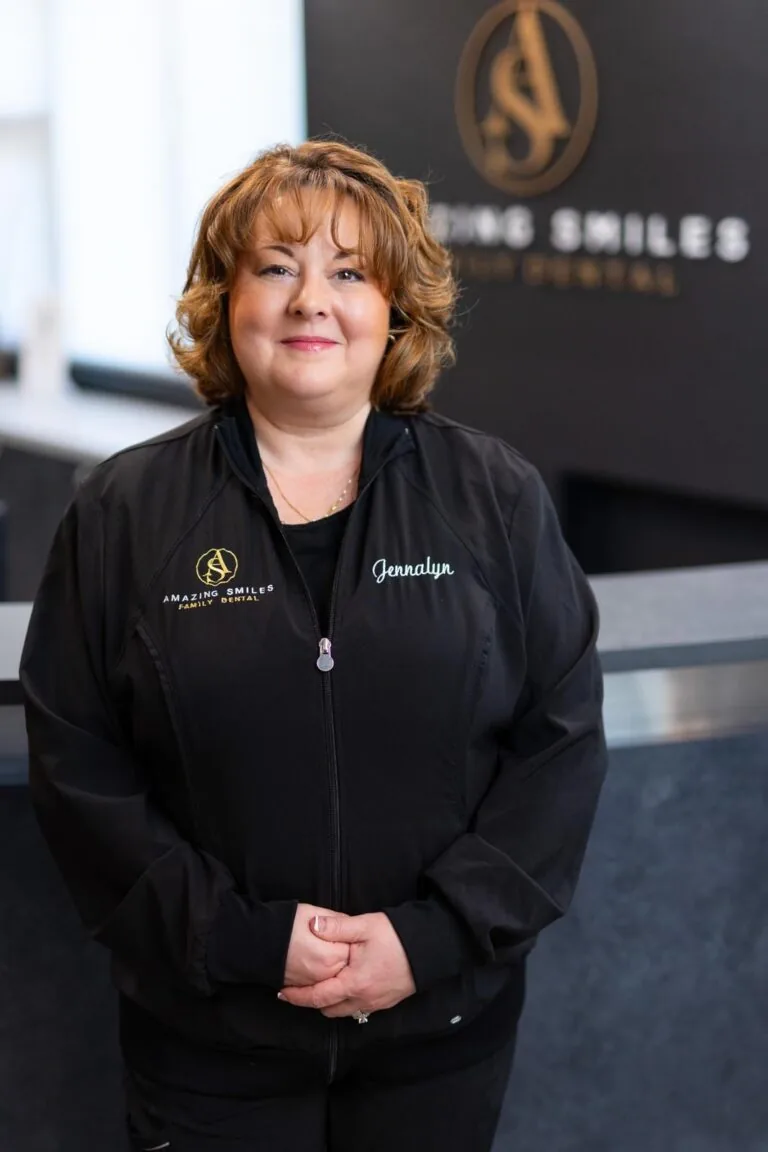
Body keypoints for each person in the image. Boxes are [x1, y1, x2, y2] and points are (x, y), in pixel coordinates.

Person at [21, 139, 608, 1152]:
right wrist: (247, 942)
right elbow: (80, 764)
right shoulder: (126, 511)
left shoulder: (493, 498)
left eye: (348, 272)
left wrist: (428, 940)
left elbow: (559, 741)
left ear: (395, 311)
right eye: (276, 267)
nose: (311, 301)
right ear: (224, 299)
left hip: (440, 1034)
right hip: (211, 1048)